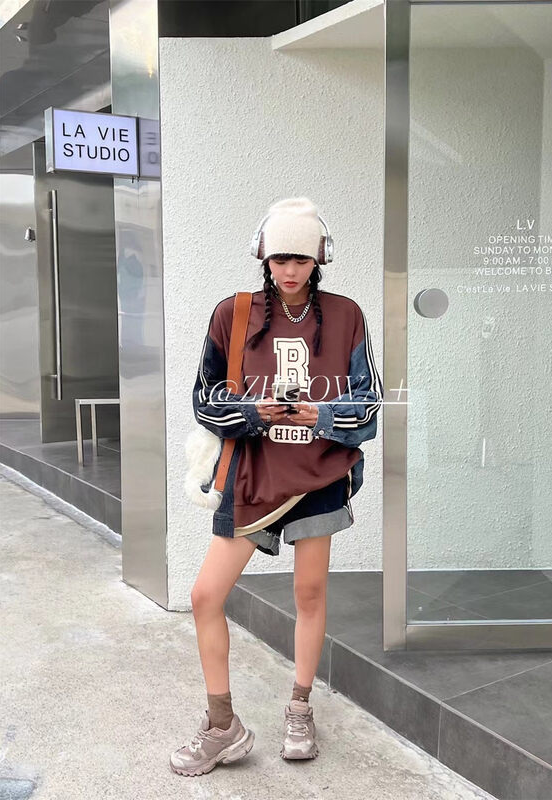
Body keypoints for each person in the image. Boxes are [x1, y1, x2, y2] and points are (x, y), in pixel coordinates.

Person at [170, 197, 383, 777]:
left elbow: (369, 404)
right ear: (263, 256)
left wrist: (322, 416)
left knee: (309, 595)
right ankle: (223, 726)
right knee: (205, 596)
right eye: (280, 258)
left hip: (319, 477)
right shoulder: (232, 314)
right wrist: (251, 413)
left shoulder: (346, 315)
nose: (290, 270)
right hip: (253, 476)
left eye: (302, 259)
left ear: (320, 259)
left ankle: (299, 708)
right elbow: (204, 399)